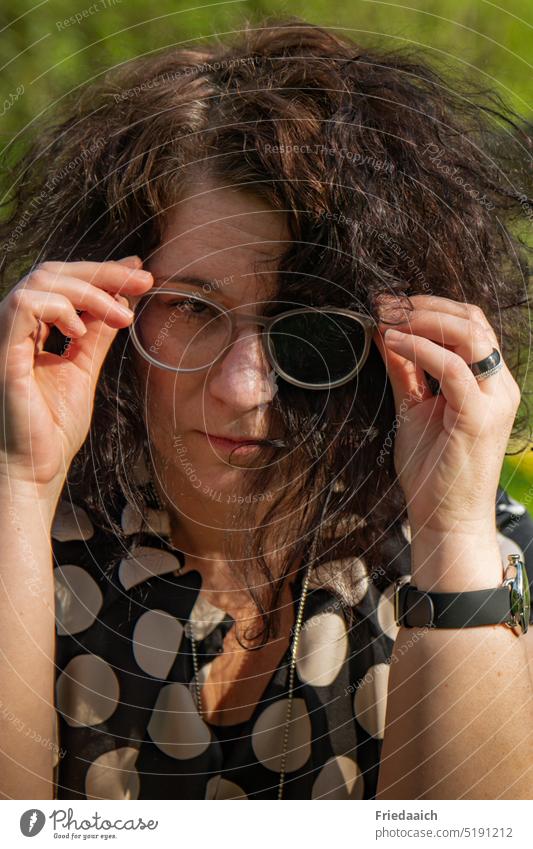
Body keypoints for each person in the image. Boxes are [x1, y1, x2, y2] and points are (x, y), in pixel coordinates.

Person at [0, 18, 532, 801]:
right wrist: (19, 480)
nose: (244, 388)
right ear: (112, 300)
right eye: (191, 307)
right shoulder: (33, 531)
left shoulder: (484, 549)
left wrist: (453, 536)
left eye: (308, 331)